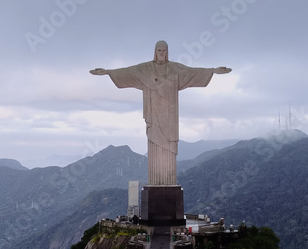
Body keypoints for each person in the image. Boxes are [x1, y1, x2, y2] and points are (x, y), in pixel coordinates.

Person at [91, 40, 230, 185]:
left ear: (167, 52)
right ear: (155, 52)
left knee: (169, 147)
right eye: (159, 50)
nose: (162, 53)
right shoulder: (146, 69)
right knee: (154, 145)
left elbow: (192, 72)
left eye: (164, 51)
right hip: (153, 115)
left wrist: (212, 71)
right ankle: (156, 182)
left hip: (170, 118)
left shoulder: (175, 69)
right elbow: (128, 72)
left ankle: (168, 182)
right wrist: (108, 72)